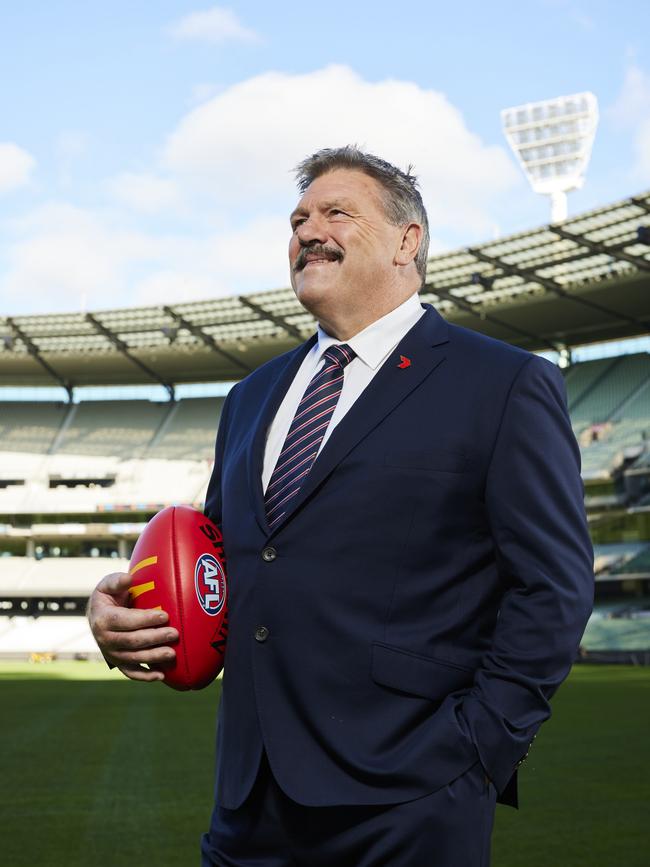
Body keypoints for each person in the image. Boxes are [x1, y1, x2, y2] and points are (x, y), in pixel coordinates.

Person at [87, 146, 594, 866]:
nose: (307, 229)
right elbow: (220, 570)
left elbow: (554, 587)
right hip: (248, 802)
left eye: (336, 212)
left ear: (407, 241)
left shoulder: (504, 383)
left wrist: (479, 748)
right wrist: (123, 611)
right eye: (297, 219)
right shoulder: (250, 396)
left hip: (411, 799)